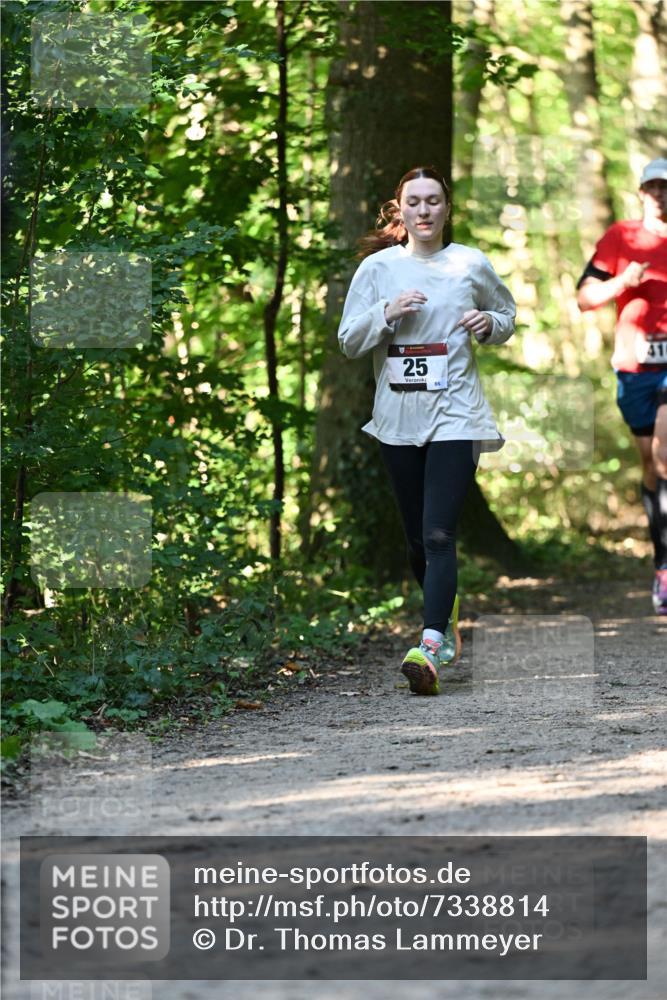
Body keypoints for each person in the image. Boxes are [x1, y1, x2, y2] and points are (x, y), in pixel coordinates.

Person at [337, 165, 516, 696]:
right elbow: (349, 339)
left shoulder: (469, 264)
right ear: (401, 210)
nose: (424, 210)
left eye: (433, 201)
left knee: (440, 533)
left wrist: (490, 325)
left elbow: (505, 314)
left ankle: (431, 642)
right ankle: (446, 612)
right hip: (397, 419)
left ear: (446, 209)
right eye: (414, 201)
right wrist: (386, 313)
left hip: (457, 414)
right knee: (418, 541)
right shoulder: (377, 270)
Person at [576, 158, 667, 615]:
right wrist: (621, 282)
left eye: (666, 187)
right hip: (635, 366)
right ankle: (661, 563)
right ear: (641, 193)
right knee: (652, 467)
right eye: (654, 187)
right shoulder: (621, 237)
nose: (661, 195)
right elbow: (584, 298)